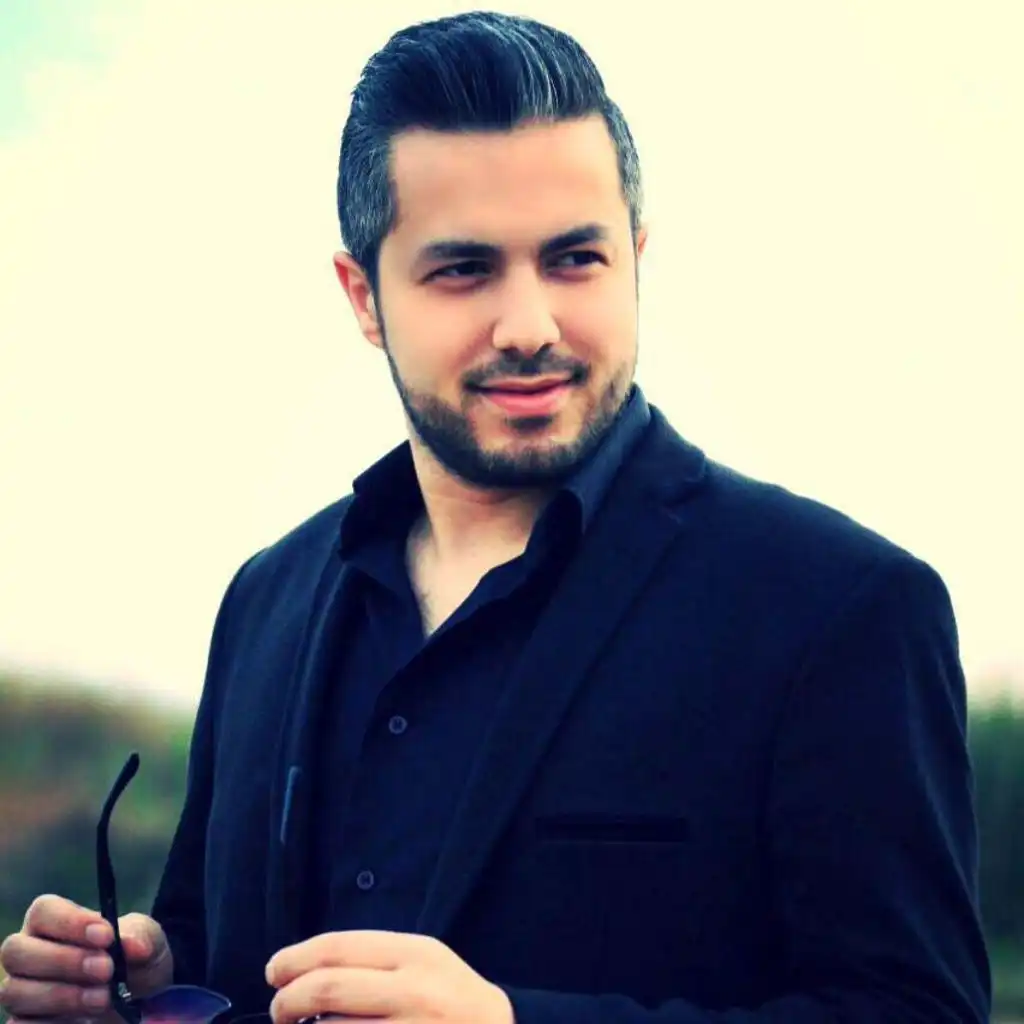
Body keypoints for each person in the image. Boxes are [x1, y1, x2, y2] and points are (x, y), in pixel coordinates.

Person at [0, 10, 992, 1024]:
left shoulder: (841, 608)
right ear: (363, 296)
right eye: (463, 270)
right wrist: (143, 993)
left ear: (635, 256)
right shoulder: (264, 600)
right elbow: (222, 958)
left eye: (575, 259)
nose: (528, 325)